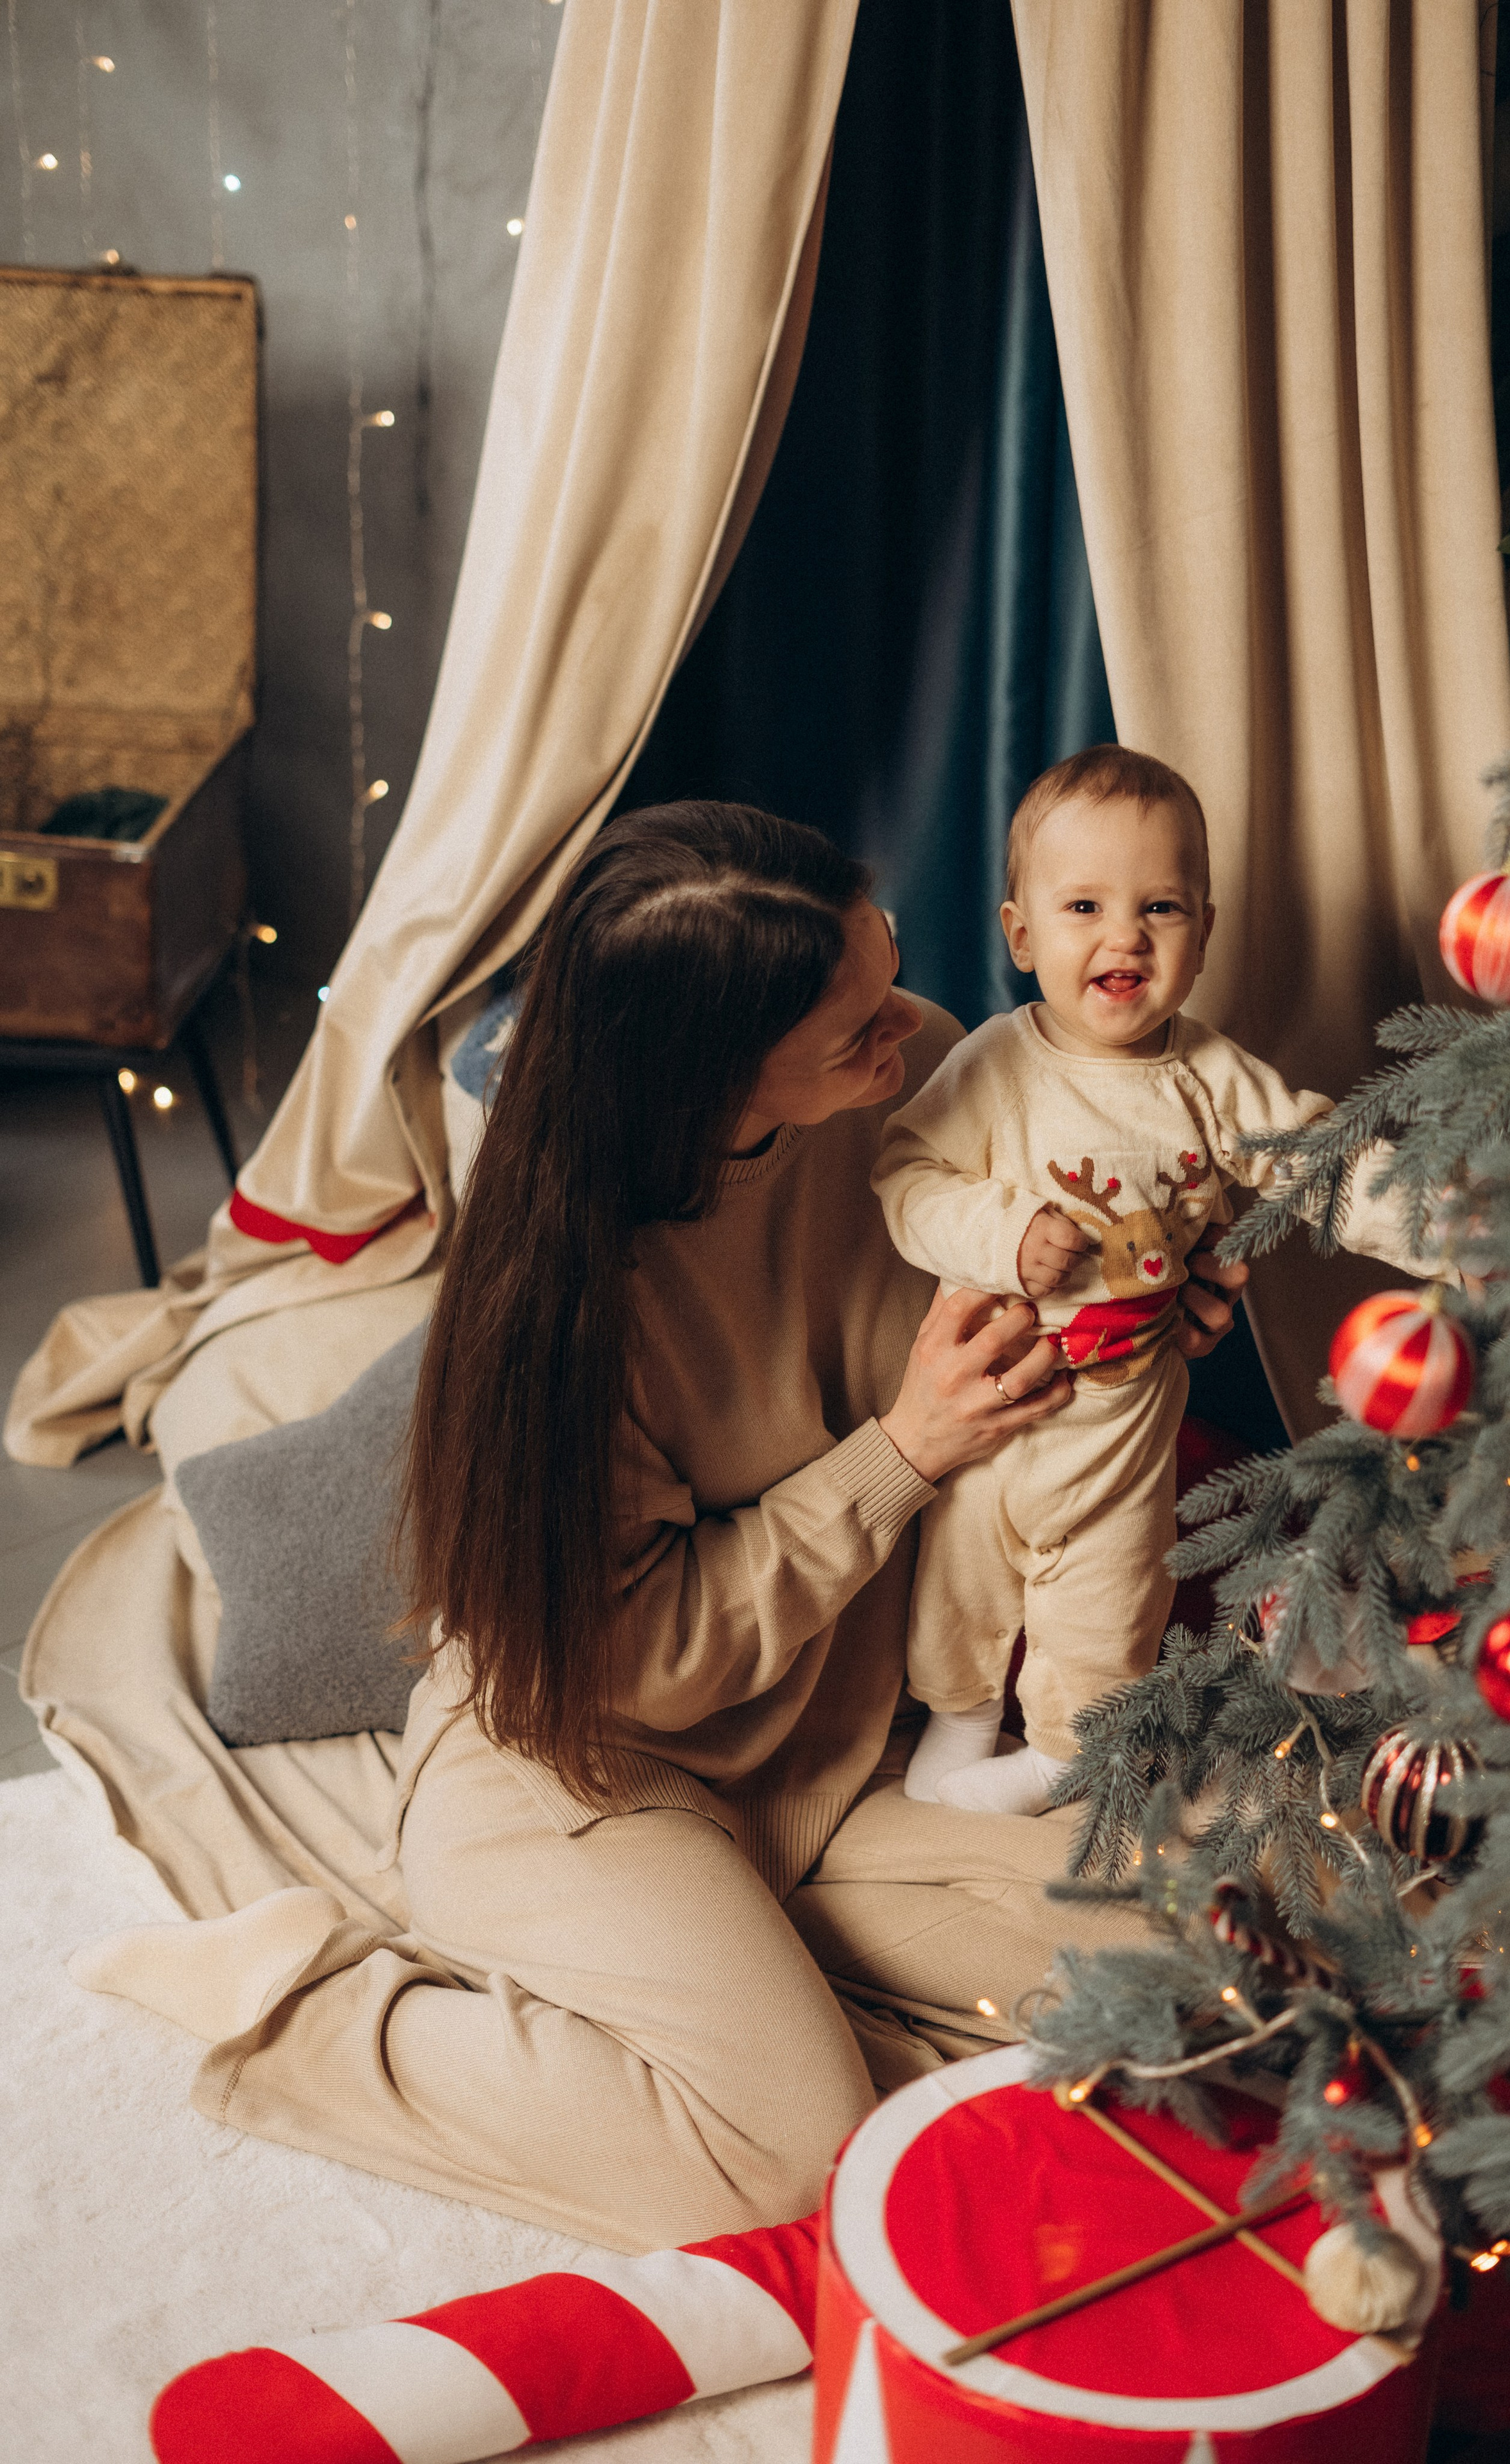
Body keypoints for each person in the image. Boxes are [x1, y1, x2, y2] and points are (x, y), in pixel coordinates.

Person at [72, 800, 1248, 2252]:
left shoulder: (932, 1072)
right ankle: (307, 2015)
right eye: (853, 1027)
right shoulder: (570, 1305)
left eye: (883, 971)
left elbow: (1048, 1307)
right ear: (713, 1077)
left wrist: (1150, 1310)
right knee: (787, 2154)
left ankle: (754, 1973)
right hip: (585, 1762)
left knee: (1211, 1975)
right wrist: (902, 1450)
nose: (906, 1027)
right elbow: (634, 1661)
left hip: (843, 1754)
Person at [874, 745, 1432, 1820]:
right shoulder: (995, 1065)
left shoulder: (1210, 1078)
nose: (1125, 935)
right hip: (988, 1414)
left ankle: (1055, 1765)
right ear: (1022, 934)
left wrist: (1445, 1225)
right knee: (956, 1606)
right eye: (1084, 905)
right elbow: (904, 1174)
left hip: (1121, 1434)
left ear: (1204, 933)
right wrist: (1003, 1231)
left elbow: (1318, 1165)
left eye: (1161, 907)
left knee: (1102, 1632)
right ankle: (953, 1731)